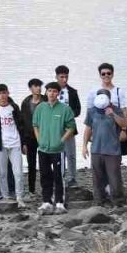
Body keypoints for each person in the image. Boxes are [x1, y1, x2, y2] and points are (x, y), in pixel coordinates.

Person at [32, 82, 76, 213]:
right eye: (49, 91)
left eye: (54, 91)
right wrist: (39, 139)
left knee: (58, 176)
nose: (51, 93)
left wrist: (61, 140)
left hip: (58, 150)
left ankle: (60, 202)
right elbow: (35, 124)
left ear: (58, 93)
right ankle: (46, 201)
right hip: (43, 149)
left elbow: (71, 127)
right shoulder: (40, 108)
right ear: (46, 92)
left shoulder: (64, 109)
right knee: (44, 175)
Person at [83, 87, 127, 207]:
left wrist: (112, 114)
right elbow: (88, 128)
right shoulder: (92, 111)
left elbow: (124, 124)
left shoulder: (116, 109)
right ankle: (99, 201)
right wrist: (84, 145)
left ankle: (118, 201)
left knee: (114, 177)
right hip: (96, 149)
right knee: (97, 177)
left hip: (112, 150)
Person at [88, 62, 127, 155]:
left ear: (112, 74)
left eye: (109, 73)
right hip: (99, 126)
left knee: (115, 152)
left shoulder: (119, 91)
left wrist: (124, 130)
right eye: (103, 74)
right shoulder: (93, 91)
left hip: (115, 125)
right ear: (100, 75)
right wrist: (89, 132)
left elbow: (124, 111)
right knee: (97, 152)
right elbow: (90, 112)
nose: (106, 75)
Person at [0, 84, 25, 206]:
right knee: (2, 172)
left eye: (4, 93)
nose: (2, 96)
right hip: (1, 145)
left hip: (15, 143)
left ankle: (19, 197)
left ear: (8, 93)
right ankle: (5, 195)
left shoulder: (14, 107)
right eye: (0, 93)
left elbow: (21, 126)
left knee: (18, 172)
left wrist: (24, 143)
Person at [55, 65, 82, 186]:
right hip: (55, 128)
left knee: (70, 153)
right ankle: (59, 176)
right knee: (57, 153)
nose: (64, 79)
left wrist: (68, 115)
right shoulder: (50, 91)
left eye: (66, 77)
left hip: (69, 127)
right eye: (62, 77)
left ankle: (72, 177)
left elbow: (78, 110)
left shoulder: (73, 92)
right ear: (56, 77)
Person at [18, 79, 44, 195]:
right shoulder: (25, 102)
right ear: (30, 88)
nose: (38, 88)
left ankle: (46, 187)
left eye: (39, 86)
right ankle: (31, 189)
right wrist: (22, 142)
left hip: (44, 135)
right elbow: (22, 123)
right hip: (29, 137)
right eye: (35, 86)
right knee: (31, 163)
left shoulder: (46, 100)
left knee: (45, 162)